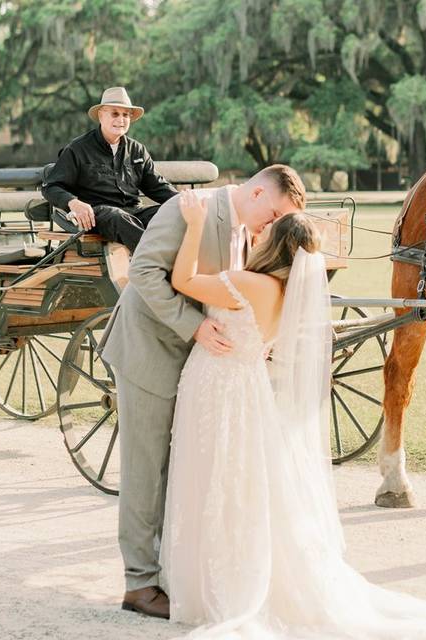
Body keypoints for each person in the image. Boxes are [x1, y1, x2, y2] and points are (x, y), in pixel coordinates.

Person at [158, 192, 426, 639]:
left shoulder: (248, 285)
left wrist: (192, 223)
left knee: (216, 481)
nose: (258, 232)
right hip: (246, 390)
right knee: (240, 484)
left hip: (221, 389)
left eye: (265, 231)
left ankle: (215, 579)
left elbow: (184, 279)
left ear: (276, 245)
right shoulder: (283, 292)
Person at [98, 164, 306, 620]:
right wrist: (195, 328)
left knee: (181, 470)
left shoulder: (250, 231)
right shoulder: (187, 210)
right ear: (255, 193)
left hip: (201, 371)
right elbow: (146, 273)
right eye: (271, 214)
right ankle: (138, 583)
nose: (271, 226)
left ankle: (173, 572)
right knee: (146, 469)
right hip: (150, 351)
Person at [41, 86, 178, 252]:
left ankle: (189, 261)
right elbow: (51, 187)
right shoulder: (77, 149)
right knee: (116, 216)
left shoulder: (137, 150)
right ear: (101, 116)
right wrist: (73, 203)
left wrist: (185, 201)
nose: (121, 119)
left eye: (125, 115)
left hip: (134, 214)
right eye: (115, 113)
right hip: (97, 215)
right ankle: (155, 259)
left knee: (172, 213)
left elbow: (157, 186)